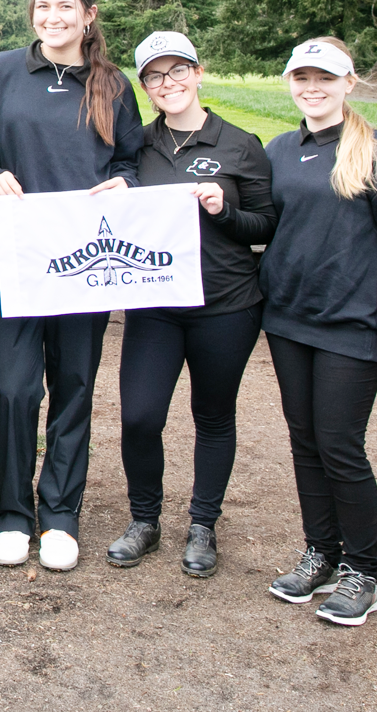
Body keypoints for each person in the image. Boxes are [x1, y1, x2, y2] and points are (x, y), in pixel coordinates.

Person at [0, 0, 142, 572]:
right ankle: (14, 513)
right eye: (44, 7)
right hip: (17, 258)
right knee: (13, 387)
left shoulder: (112, 85)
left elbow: (131, 162)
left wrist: (124, 184)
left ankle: (60, 515)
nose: (53, 18)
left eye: (66, 7)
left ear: (88, 14)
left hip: (87, 262)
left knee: (73, 387)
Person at [105, 31, 276, 577]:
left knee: (213, 415)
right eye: (155, 75)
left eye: (178, 70)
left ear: (199, 73)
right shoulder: (138, 144)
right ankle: (144, 520)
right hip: (155, 303)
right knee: (139, 416)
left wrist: (224, 209)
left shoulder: (240, 144)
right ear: (145, 87)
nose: (168, 82)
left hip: (226, 304)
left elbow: (265, 223)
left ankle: (203, 524)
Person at [259, 37, 377, 626]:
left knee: (339, 445)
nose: (312, 87)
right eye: (302, 77)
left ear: (347, 83)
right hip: (287, 319)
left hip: (353, 326)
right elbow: (265, 225)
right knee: (305, 441)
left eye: (325, 78)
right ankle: (321, 553)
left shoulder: (370, 152)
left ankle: (365, 568)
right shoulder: (280, 149)